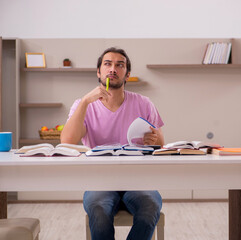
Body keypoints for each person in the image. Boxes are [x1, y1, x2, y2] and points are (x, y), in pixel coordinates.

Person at [61, 47, 164, 240]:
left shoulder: (144, 103)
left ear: (127, 74)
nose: (113, 69)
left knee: (150, 207)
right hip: (100, 181)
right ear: (99, 72)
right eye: (107, 64)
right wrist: (85, 102)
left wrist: (154, 140)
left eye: (120, 65)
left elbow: (161, 146)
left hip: (139, 181)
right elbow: (66, 141)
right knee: (99, 213)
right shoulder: (82, 105)